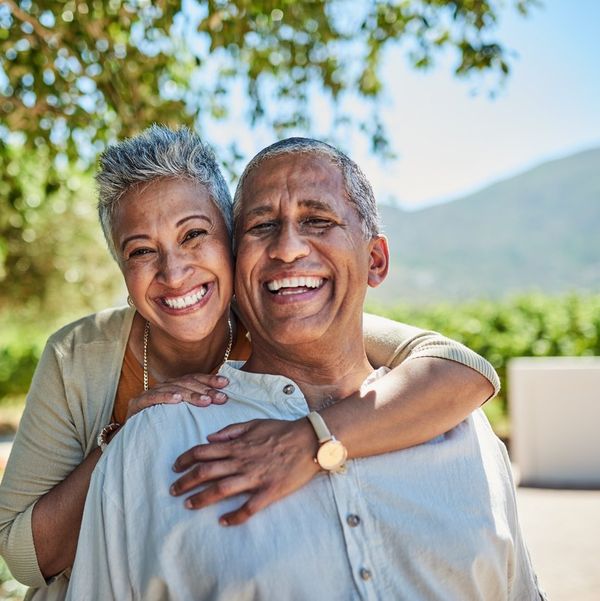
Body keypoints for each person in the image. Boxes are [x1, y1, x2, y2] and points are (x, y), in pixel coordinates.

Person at [0, 127, 498, 600]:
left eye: (193, 235)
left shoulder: (280, 315)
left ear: (231, 242)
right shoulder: (78, 356)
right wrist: (120, 432)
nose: (174, 272)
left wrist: (314, 440)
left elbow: (459, 368)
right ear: (123, 272)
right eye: (141, 251)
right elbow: (25, 557)